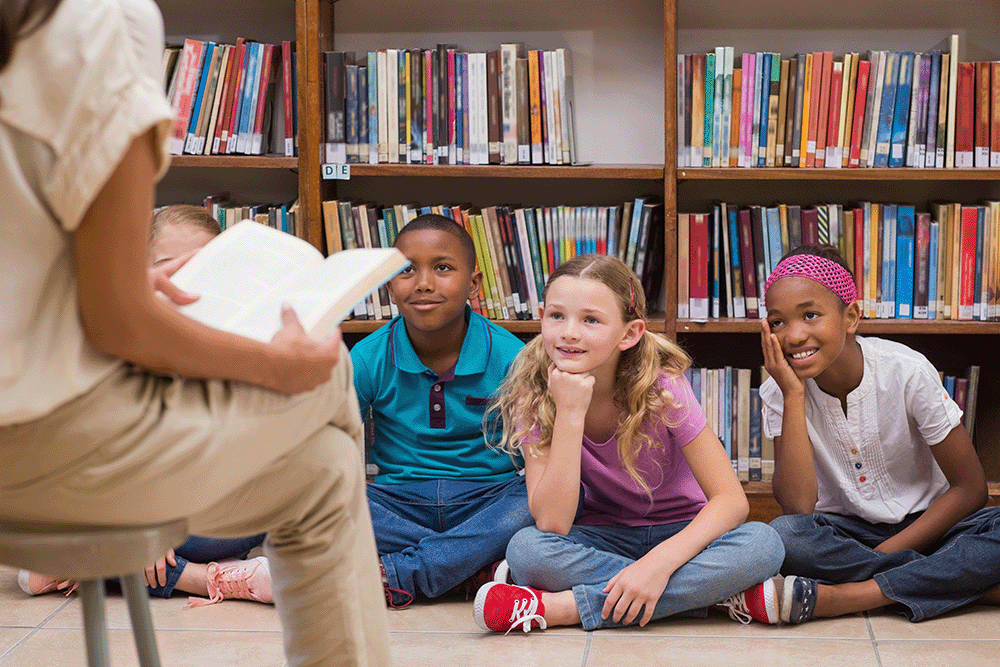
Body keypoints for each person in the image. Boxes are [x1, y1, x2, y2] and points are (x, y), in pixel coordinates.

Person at [0, 1, 389, 665]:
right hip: (51, 448)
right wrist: (275, 364)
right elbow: (119, 322)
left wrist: (97, 283)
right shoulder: (101, 24)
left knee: (324, 470)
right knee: (330, 376)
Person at [473, 254, 784, 633]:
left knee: (765, 543)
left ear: (629, 333)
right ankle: (711, 596)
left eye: (591, 320)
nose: (569, 332)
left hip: (682, 532)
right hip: (604, 537)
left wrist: (658, 564)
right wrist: (571, 412)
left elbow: (731, 501)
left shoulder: (663, 387)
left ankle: (568, 607)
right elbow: (552, 523)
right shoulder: (533, 393)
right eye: (557, 316)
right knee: (527, 550)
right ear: (541, 317)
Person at [19, 205, 273, 608]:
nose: (189, 279)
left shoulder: (239, 341)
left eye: (206, 264)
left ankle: (90, 565)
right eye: (171, 266)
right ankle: (209, 577)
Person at [759, 243, 1000, 624]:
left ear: (851, 316)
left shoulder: (906, 370)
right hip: (847, 535)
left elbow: (971, 490)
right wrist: (792, 394)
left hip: (933, 526)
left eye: (810, 315)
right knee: (785, 536)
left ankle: (853, 596)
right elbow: (798, 508)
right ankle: (965, 585)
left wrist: (888, 554)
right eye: (777, 322)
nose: (793, 335)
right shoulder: (778, 391)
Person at [351, 213, 534, 608]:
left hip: (487, 502)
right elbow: (330, 449)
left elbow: (537, 462)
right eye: (406, 270)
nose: (423, 284)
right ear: (389, 284)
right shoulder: (367, 358)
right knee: (317, 496)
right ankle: (465, 567)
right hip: (395, 502)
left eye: (443, 268)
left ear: (473, 283)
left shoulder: (513, 358)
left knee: (546, 497)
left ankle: (402, 572)